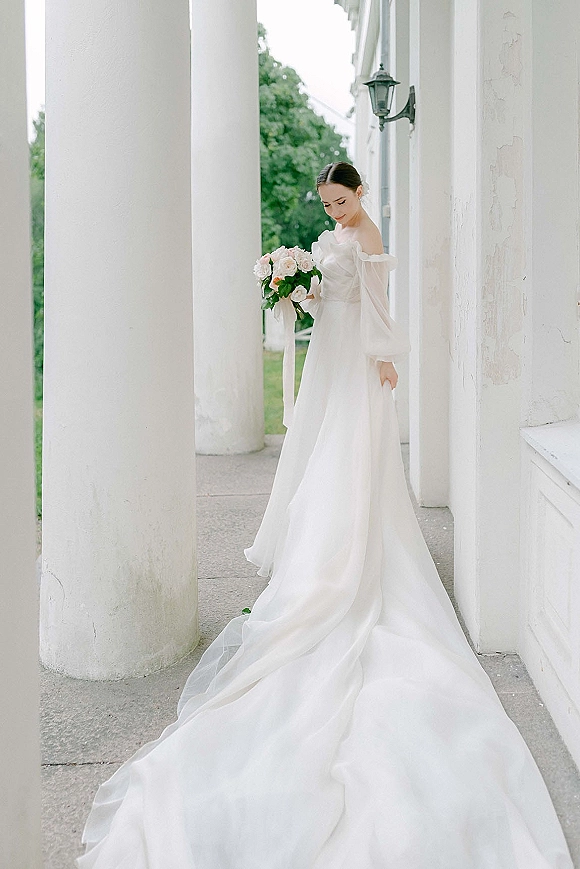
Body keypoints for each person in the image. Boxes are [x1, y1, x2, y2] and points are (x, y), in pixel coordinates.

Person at [77, 162, 573, 868]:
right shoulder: (335, 231)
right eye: (329, 205)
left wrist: (385, 359)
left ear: (361, 193)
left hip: (359, 360)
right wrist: (300, 289)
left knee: (352, 454)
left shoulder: (367, 229)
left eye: (342, 201)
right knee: (318, 454)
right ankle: (318, 545)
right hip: (329, 353)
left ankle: (353, 550)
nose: (336, 213)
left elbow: (377, 300)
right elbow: (332, 294)